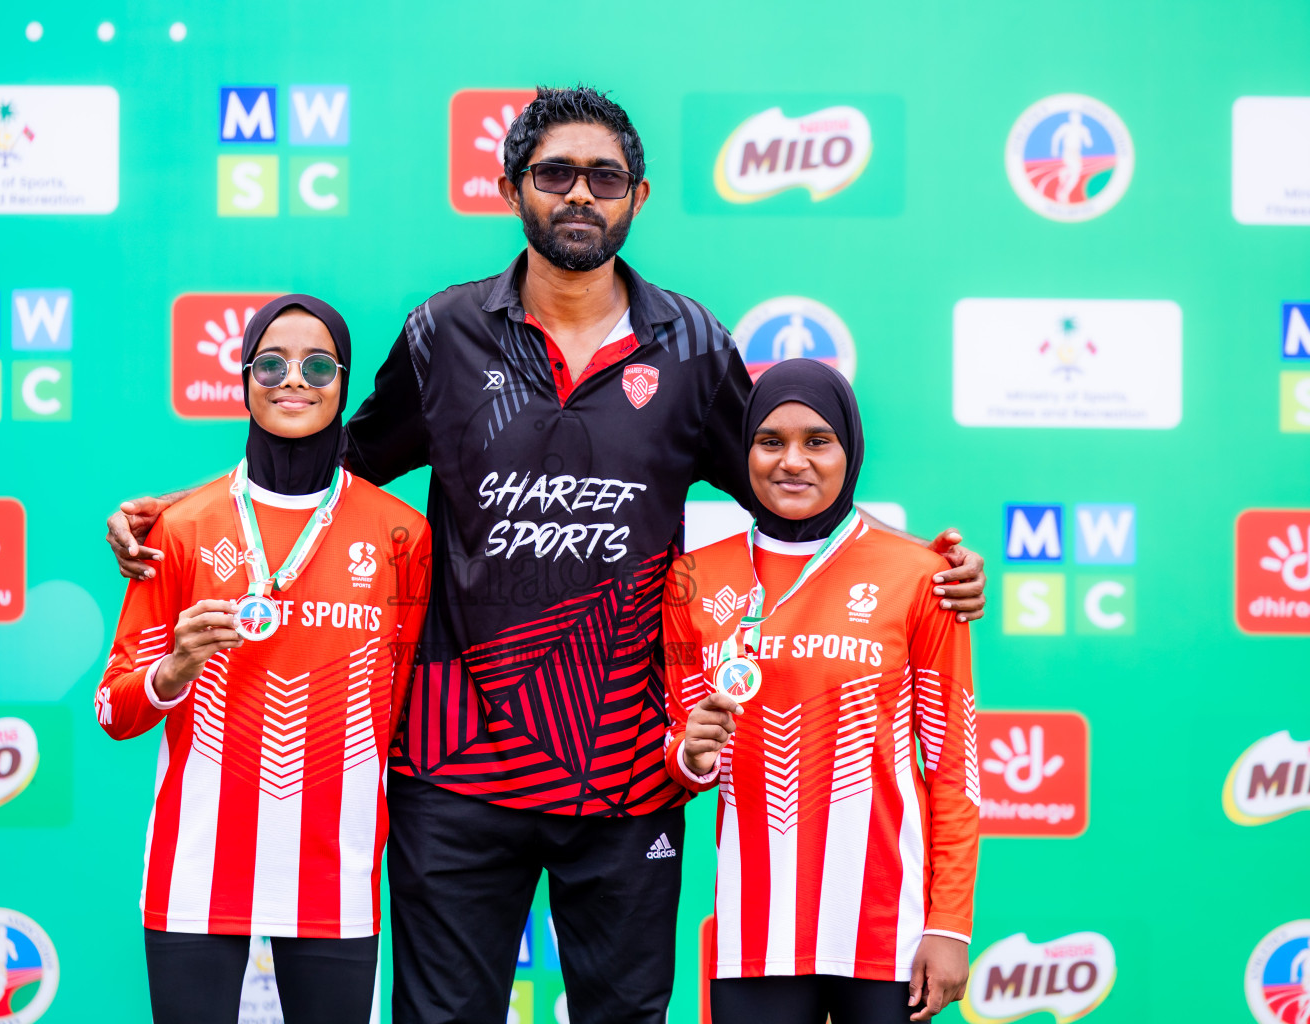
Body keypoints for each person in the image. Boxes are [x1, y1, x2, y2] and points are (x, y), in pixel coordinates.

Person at [105, 87, 986, 1024]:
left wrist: (919, 569)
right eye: (554, 174)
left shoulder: (689, 345)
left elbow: (793, 486)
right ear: (511, 188)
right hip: (454, 768)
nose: (579, 195)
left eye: (603, 177)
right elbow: (336, 459)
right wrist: (190, 510)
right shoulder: (445, 333)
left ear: (638, 196)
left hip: (629, 767)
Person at [95, 295, 431, 1024]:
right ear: (244, 378)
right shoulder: (183, 527)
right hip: (195, 876)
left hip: (334, 873)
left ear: (344, 382)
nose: (294, 381)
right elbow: (113, 710)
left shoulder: (402, 533)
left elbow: (404, 706)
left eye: (318, 365)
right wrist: (172, 672)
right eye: (271, 363)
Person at [662, 358, 978, 1024]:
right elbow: (682, 753)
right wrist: (689, 752)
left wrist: (949, 922)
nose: (792, 461)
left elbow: (953, 766)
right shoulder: (692, 578)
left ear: (849, 449)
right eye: (770, 441)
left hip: (886, 933)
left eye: (817, 441)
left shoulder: (922, 576)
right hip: (754, 935)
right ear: (744, 450)